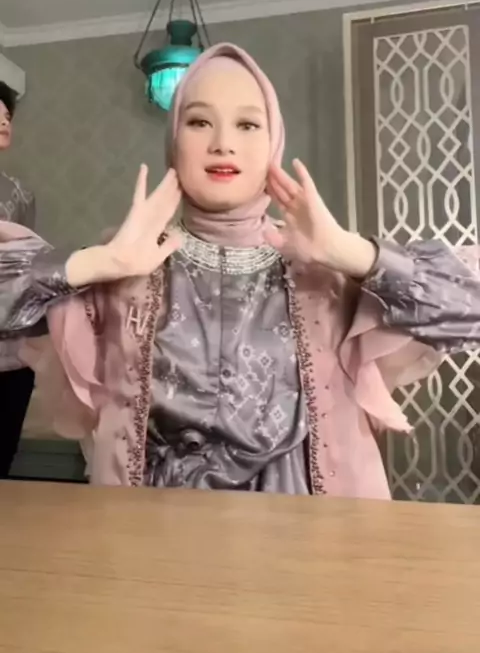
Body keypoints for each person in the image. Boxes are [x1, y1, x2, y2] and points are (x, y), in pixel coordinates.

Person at [0, 43, 478, 497]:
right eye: (199, 122)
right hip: (149, 532)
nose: (223, 143)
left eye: (248, 124)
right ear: (173, 142)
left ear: (274, 143)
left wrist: (353, 255)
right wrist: (101, 262)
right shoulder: (124, 262)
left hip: (306, 532)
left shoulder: (328, 272)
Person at [0, 80, 36, 477]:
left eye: (7, 115)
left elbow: (28, 265)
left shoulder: (20, 195)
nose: (3, 121)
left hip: (12, 352)